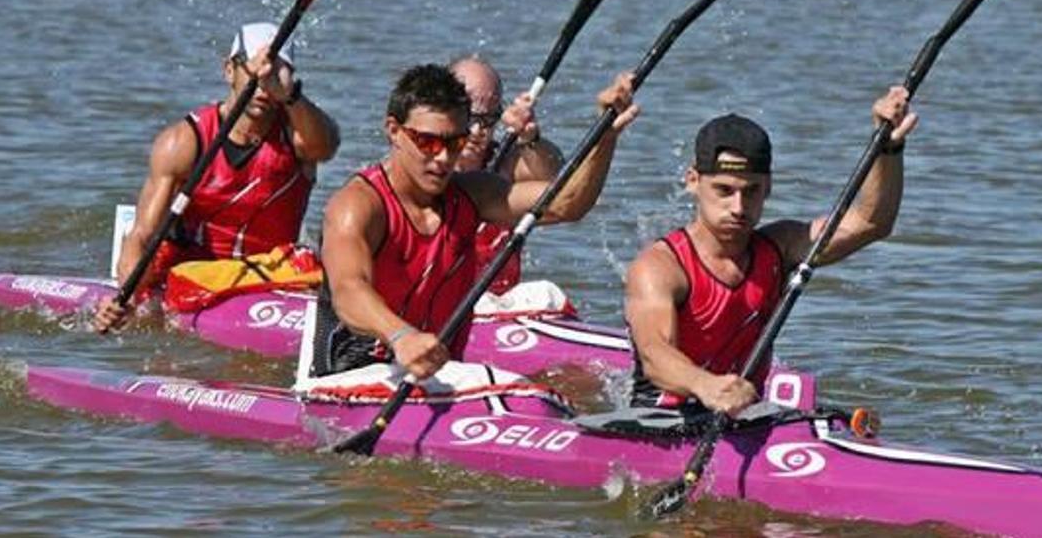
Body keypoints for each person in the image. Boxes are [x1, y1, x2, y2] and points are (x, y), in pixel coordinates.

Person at [309, 64, 638, 381]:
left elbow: (568, 204)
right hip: (350, 376)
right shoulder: (358, 205)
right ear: (394, 131)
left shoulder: (473, 194)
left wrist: (604, 138)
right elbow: (348, 291)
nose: (442, 158)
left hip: (439, 377)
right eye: (427, 142)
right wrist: (402, 337)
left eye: (454, 143)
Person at [624, 87, 918, 415]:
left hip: (743, 416)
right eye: (724, 190)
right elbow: (654, 354)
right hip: (659, 420)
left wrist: (888, 148)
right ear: (693, 181)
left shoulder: (781, 247)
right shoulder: (659, 267)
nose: (738, 207)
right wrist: (707, 386)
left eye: (752, 192)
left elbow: (870, 223)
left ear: (769, 187)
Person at [93, 22, 340, 332]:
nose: (263, 84)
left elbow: (327, 146)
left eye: (276, 73)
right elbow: (143, 234)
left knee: (314, 266)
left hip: (269, 274)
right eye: (253, 71)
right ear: (229, 70)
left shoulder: (300, 136)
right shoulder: (183, 142)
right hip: (194, 272)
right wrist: (126, 295)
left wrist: (290, 96)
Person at [450, 56, 564, 294]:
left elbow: (560, 182)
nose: (477, 131)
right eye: (468, 116)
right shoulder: (420, 167)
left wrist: (531, 138)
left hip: (497, 304)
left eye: (487, 120)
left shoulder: (508, 164)